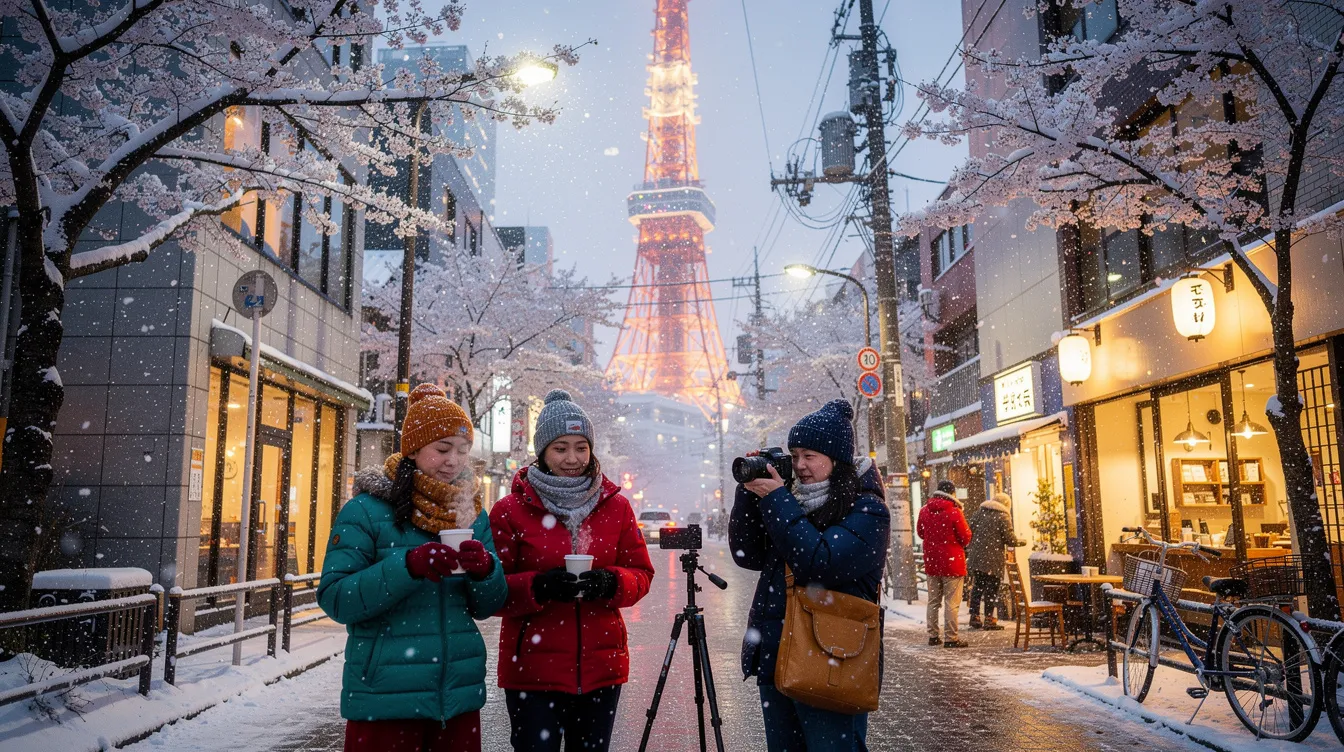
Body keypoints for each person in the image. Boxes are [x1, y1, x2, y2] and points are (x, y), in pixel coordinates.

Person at [318, 384, 506, 752]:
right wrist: (407, 567)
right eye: (442, 449)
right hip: (384, 701)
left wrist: (486, 571)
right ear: (414, 448)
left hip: (456, 700)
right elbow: (336, 598)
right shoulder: (366, 511)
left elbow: (488, 606)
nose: (453, 461)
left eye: (463, 451)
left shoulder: (471, 513)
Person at [489, 389, 654, 752]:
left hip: (602, 668)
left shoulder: (617, 507)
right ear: (543, 451)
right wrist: (539, 587)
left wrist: (611, 582)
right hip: (532, 671)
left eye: (581, 447)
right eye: (560, 448)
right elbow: (490, 589)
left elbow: (641, 573)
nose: (573, 458)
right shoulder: (509, 510)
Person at [730, 399, 890, 752]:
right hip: (778, 655)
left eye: (810, 455)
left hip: (833, 658)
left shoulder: (867, 508)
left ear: (837, 460)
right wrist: (748, 495)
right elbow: (747, 554)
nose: (800, 465)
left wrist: (776, 502)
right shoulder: (789, 499)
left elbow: (819, 561)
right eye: (795, 454)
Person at [917, 479, 971, 648]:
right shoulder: (955, 512)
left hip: (932, 562)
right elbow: (966, 537)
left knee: (933, 601)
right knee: (951, 603)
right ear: (952, 493)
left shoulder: (924, 510)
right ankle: (951, 638)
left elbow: (920, 532)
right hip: (952, 564)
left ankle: (933, 636)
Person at [965, 492, 1023, 631]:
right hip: (993, 558)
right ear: (1006, 505)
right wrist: (1020, 541)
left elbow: (969, 530)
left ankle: (974, 616)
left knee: (978, 587)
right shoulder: (1003, 516)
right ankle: (989, 619)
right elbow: (1009, 538)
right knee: (991, 589)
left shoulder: (980, 512)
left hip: (976, 556)